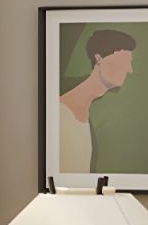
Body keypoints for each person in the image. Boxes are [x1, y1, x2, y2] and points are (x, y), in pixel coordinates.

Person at [58, 28, 136, 173]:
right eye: (123, 61)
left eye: (129, 62)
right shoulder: (61, 112)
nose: (129, 69)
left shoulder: (86, 113)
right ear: (98, 58)